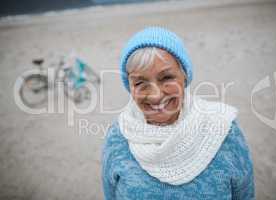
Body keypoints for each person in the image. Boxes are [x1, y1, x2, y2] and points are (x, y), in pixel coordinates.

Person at [101, 26, 255, 200]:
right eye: (140, 83)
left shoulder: (224, 130)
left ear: (185, 76)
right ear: (130, 87)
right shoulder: (118, 138)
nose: (156, 95)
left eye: (167, 78)